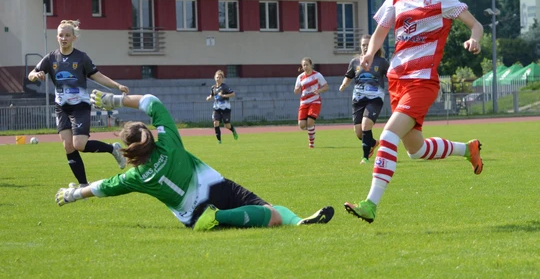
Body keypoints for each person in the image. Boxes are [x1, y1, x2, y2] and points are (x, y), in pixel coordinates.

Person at [55, 90, 335, 231]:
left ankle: (299, 222)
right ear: (150, 135)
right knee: (270, 214)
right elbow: (152, 102)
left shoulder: (135, 177)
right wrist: (114, 99)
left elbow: (102, 187)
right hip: (217, 187)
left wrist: (72, 195)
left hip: (194, 215)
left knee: (269, 212)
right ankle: (290, 221)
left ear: (129, 150)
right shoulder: (168, 143)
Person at [344, 0, 484, 224]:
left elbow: (475, 25)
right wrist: (370, 53)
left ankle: (370, 204)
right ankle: (468, 150)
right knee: (416, 150)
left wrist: (474, 39)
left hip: (422, 82)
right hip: (397, 81)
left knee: (387, 134)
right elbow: (380, 33)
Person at [28, 20, 129, 187]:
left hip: (80, 106)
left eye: (67, 35)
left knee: (79, 145)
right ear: (57, 37)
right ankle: (83, 185)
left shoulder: (81, 58)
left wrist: (117, 85)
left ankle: (113, 149)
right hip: (61, 107)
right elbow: (32, 73)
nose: (64, 38)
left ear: (74, 37)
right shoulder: (51, 58)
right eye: (61, 35)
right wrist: (36, 75)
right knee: (68, 146)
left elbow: (98, 75)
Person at [339, 34, 389, 164]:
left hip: (375, 98)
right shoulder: (355, 61)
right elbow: (349, 76)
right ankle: (373, 143)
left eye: (368, 44)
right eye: (363, 45)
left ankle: (365, 158)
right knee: (359, 132)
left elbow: (391, 77)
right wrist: (343, 85)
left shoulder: (382, 62)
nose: (365, 47)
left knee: (366, 124)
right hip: (358, 99)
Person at [294, 58, 329, 148]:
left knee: (309, 122)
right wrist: (297, 90)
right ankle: (311, 129)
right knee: (302, 125)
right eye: (303, 65)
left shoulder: (317, 75)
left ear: (311, 65)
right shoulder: (300, 77)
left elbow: (326, 87)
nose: (305, 67)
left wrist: (319, 90)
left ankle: (311, 144)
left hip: (315, 101)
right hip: (304, 102)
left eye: (307, 64)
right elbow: (296, 90)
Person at [205, 70, 238, 144]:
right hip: (216, 108)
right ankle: (219, 140)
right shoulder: (213, 88)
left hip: (225, 108)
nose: (218, 79)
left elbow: (232, 94)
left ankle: (233, 130)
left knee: (227, 125)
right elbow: (212, 95)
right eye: (217, 77)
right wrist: (209, 98)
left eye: (219, 78)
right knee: (215, 123)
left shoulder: (225, 86)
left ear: (222, 79)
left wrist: (223, 95)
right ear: (214, 78)